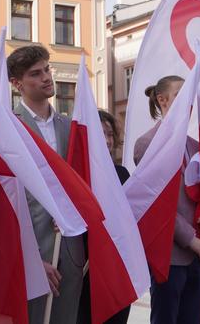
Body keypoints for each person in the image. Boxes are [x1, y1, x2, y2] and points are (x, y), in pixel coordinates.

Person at [7, 45, 85, 324]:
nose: (46, 77)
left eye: (47, 69)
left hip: (70, 247)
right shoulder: (8, 128)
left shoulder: (70, 127)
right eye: (35, 74)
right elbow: (6, 201)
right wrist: (29, 256)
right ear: (17, 84)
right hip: (30, 251)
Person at [132, 75, 200, 324]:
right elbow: (156, 203)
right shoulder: (147, 144)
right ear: (163, 99)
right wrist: (190, 239)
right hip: (168, 253)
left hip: (198, 255)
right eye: (181, 93)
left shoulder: (196, 146)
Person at [76, 109, 131, 324]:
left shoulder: (122, 174)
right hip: (84, 266)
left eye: (110, 134)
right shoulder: (75, 173)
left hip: (115, 267)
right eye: (101, 134)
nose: (107, 141)